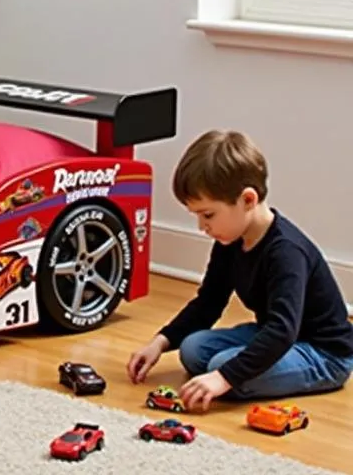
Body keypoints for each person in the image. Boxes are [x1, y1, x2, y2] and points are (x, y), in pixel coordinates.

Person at [126, 129, 353, 411]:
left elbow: (283, 331)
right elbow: (208, 302)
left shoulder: (286, 252)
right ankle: (229, 371)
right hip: (274, 336)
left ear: (247, 200)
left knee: (221, 367)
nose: (202, 227)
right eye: (196, 216)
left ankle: (231, 374)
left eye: (208, 215)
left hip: (322, 354)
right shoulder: (230, 241)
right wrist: (158, 343)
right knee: (193, 349)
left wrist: (224, 377)